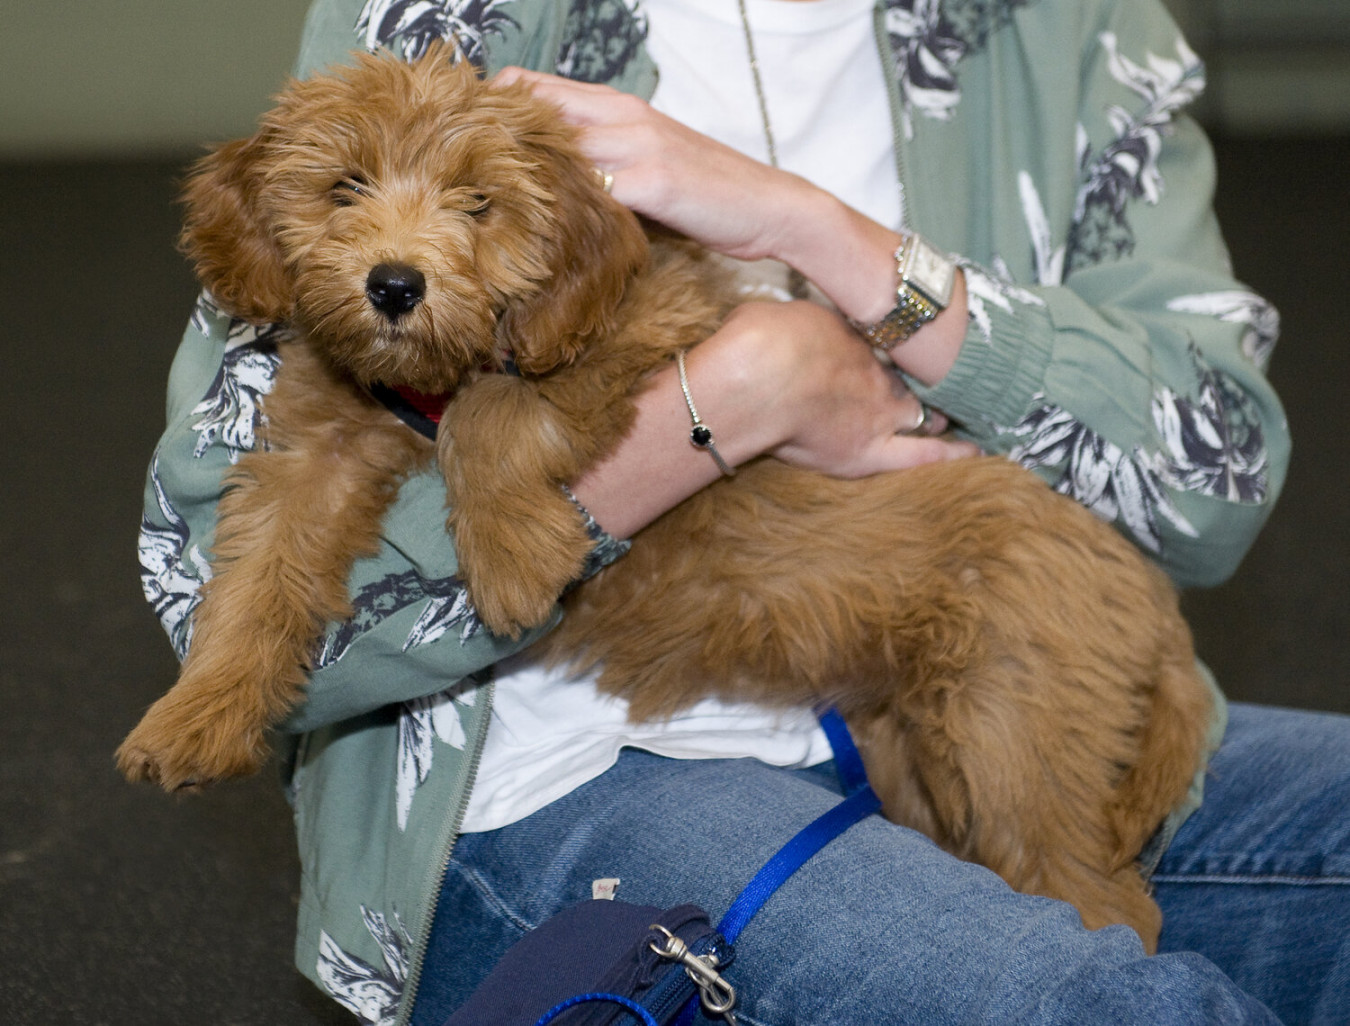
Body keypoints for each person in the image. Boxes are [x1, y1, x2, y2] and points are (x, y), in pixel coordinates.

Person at [137, 1, 1349, 1023]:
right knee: (1091, 1002)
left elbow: (1216, 477)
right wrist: (728, 400)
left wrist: (825, 240)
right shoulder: (446, 30)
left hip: (945, 653)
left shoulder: (1060, 20)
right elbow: (208, 582)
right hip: (556, 759)